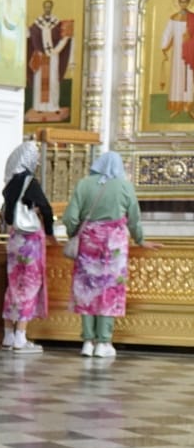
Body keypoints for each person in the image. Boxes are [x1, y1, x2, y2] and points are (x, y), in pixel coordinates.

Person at [62, 151, 161, 358]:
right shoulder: (125, 186)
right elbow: (134, 218)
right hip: (114, 244)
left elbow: (70, 216)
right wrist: (140, 240)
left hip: (88, 242)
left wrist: (74, 234)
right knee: (109, 289)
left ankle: (87, 342)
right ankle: (103, 342)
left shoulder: (84, 184)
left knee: (87, 289)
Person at [0, 141, 55, 352]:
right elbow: (46, 208)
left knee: (13, 285)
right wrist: (49, 232)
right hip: (30, 240)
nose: (37, 161)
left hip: (15, 239)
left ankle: (8, 335)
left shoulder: (9, 184)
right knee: (30, 285)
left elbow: (8, 216)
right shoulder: (29, 181)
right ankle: (21, 336)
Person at [27, 0, 71, 115]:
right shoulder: (37, 23)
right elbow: (30, 36)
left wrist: (55, 50)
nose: (47, 9)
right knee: (39, 81)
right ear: (43, 7)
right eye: (45, 6)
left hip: (53, 56)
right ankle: (39, 106)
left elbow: (64, 37)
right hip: (40, 55)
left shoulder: (56, 23)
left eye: (49, 6)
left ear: (51, 7)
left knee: (53, 80)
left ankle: (53, 106)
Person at [160, 0, 194, 117]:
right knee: (177, 78)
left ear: (189, 3)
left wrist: (190, 38)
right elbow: (167, 32)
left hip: (191, 52)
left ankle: (189, 107)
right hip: (178, 53)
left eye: (186, 2)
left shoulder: (193, 18)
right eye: (181, 2)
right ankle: (177, 107)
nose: (183, 4)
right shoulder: (174, 18)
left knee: (189, 78)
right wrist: (164, 45)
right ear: (178, 3)